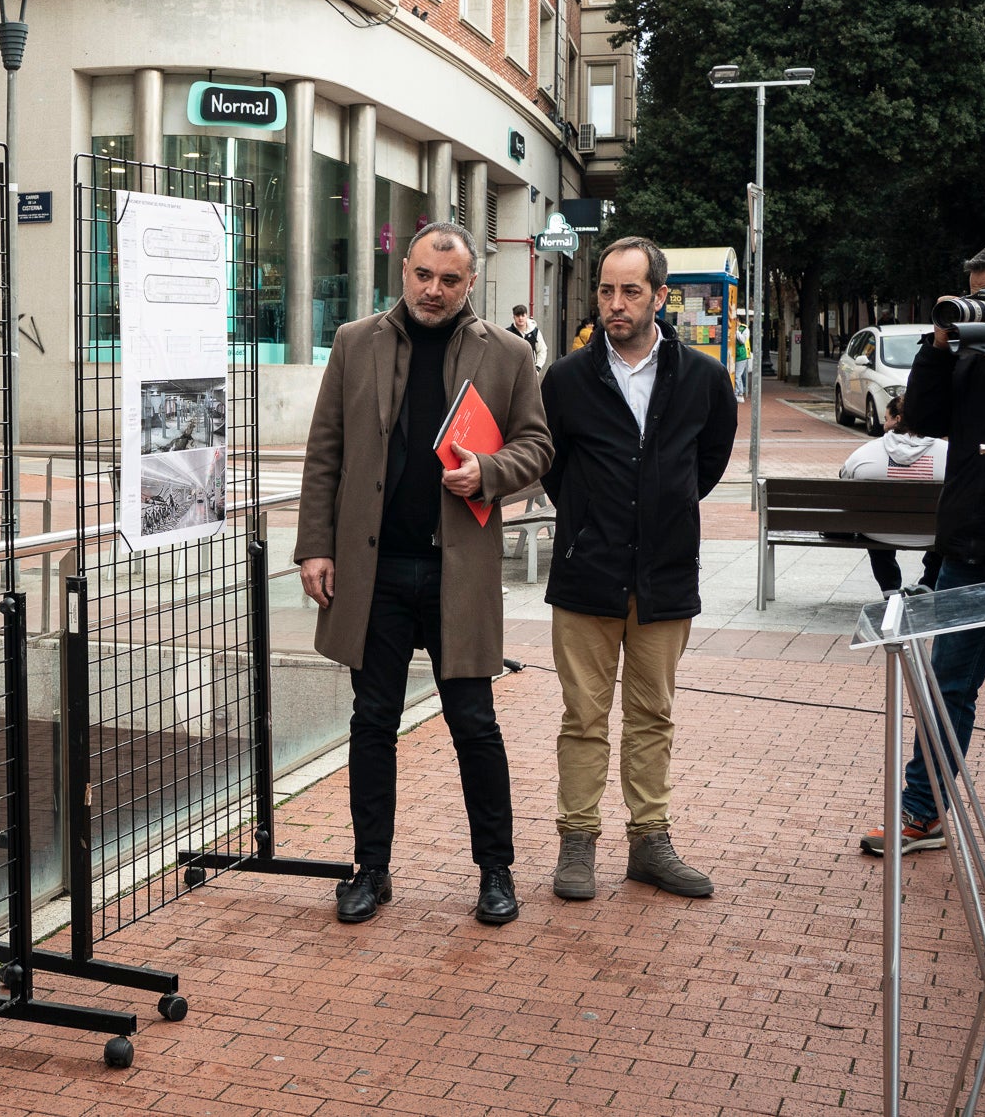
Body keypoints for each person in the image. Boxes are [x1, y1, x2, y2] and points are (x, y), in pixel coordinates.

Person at [295, 223, 553, 926]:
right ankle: (369, 869)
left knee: (474, 722)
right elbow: (325, 452)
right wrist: (315, 545)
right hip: (373, 571)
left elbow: (538, 445)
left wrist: (489, 473)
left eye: (450, 279)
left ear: (471, 284)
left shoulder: (507, 353)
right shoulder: (356, 342)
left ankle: (495, 871)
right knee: (372, 719)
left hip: (456, 573)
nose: (433, 290)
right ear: (403, 270)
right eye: (423, 275)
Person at [540, 237, 737, 902]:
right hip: (585, 573)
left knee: (654, 713)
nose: (615, 304)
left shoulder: (704, 379)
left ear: (659, 295)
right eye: (605, 290)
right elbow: (553, 467)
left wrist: (662, 510)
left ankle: (650, 842)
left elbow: (705, 466)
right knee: (583, 717)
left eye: (629, 291)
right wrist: (595, 519)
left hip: (665, 574)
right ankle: (577, 840)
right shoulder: (566, 378)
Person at [863, 239, 985, 857]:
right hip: (971, 545)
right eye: (977, 294)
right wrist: (939, 347)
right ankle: (922, 812)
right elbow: (924, 420)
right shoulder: (969, 352)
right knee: (949, 687)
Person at [838, 395, 945, 597]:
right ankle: (929, 583)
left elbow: (843, 478)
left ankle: (889, 587)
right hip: (933, 534)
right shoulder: (947, 452)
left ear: (897, 420)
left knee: (874, 519)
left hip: (878, 534)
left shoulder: (866, 452)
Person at [511, 303, 549, 370]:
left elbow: (542, 350)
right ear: (513, 317)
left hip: (531, 370)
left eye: (523, 315)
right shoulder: (508, 332)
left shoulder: (535, 332)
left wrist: (537, 368)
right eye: (517, 316)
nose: (520, 318)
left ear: (527, 316)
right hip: (513, 370)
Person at [734, 317, 752, 403]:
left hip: (741, 355)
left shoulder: (744, 329)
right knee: (737, 375)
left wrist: (737, 330)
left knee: (738, 375)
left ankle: (739, 393)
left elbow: (742, 340)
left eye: (736, 320)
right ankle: (738, 392)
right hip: (734, 355)